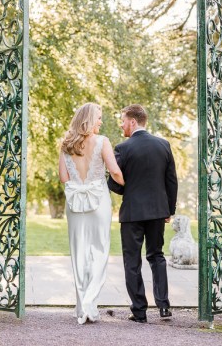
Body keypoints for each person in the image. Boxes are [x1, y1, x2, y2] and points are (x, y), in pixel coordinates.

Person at [107, 104, 178, 323]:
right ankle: (164, 306)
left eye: (123, 120)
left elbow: (117, 185)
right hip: (158, 211)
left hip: (132, 214)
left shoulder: (122, 148)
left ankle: (139, 311)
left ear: (133, 122)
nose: (121, 124)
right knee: (157, 256)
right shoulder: (163, 145)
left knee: (132, 261)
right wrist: (169, 210)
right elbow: (171, 181)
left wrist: (119, 182)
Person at [58, 102, 124, 325]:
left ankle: (80, 309)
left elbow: (63, 178)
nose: (100, 121)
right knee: (99, 252)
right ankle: (89, 305)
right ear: (88, 119)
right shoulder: (102, 141)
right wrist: (128, 185)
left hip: (75, 201)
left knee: (79, 253)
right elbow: (114, 171)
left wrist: (79, 182)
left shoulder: (66, 144)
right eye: (98, 117)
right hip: (98, 201)